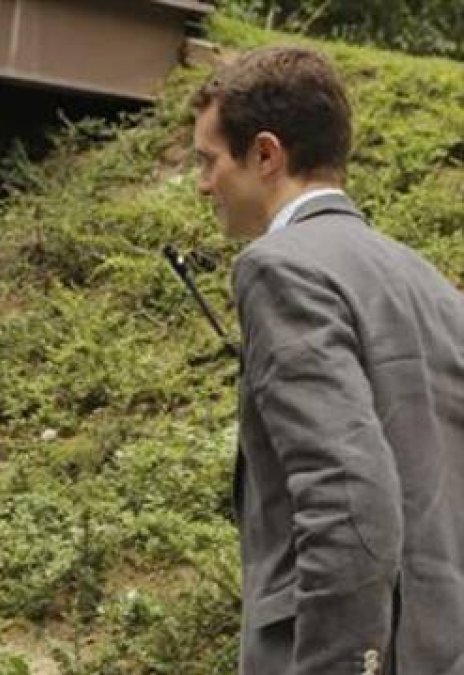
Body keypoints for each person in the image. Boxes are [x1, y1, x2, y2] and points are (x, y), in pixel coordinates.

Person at [191, 45, 464, 674]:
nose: (204, 184)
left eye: (208, 162)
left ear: (265, 153)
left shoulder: (280, 268)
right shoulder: (425, 280)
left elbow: (346, 494)